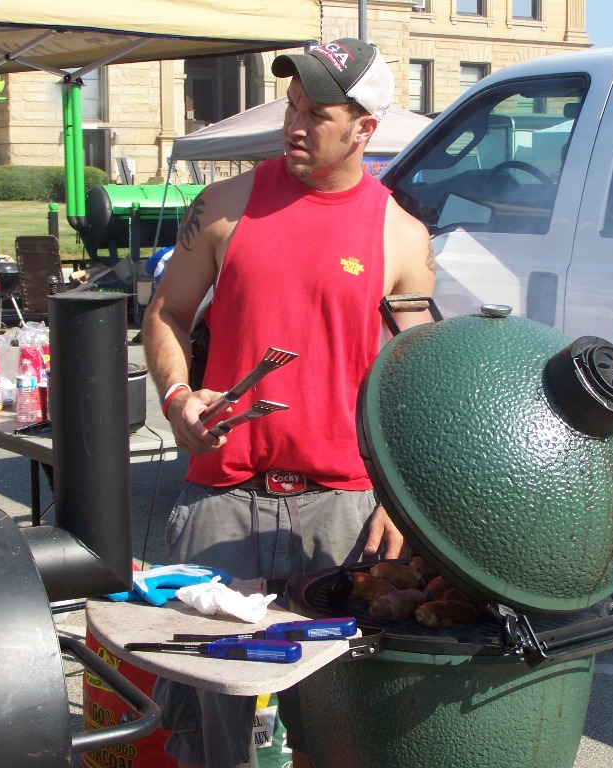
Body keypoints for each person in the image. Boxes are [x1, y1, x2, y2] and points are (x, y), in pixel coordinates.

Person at [141, 38, 436, 768]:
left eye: (317, 114)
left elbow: (417, 380)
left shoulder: (401, 236)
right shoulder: (223, 205)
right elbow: (166, 312)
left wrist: (402, 501)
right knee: (208, 730)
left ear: (364, 129)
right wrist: (177, 398)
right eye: (292, 107)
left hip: (341, 514)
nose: (294, 126)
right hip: (223, 500)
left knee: (335, 731)